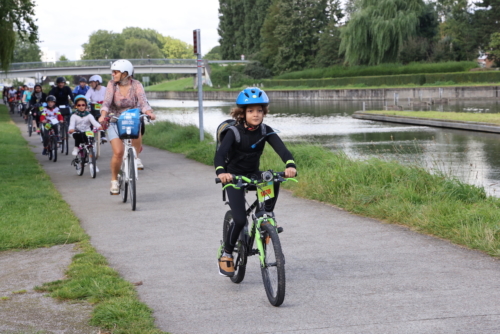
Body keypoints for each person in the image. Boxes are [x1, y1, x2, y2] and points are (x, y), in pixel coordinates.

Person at [214, 87, 297, 277]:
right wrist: (222, 173)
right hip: (234, 177)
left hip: (253, 175)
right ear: (242, 113)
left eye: (259, 110)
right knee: (241, 218)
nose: (256, 114)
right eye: (251, 111)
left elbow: (282, 150)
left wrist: (290, 165)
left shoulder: (265, 131)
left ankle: (264, 221)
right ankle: (227, 252)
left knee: (274, 180)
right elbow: (220, 156)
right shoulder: (233, 132)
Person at [99, 59, 156, 195]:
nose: (113, 74)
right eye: (113, 72)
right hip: (115, 119)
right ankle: (114, 180)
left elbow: (143, 102)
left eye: (116, 72)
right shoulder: (112, 85)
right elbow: (106, 102)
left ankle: (135, 157)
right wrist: (103, 115)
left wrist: (149, 113)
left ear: (125, 73)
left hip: (132, 118)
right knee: (118, 152)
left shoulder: (136, 85)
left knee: (138, 125)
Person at [68, 95, 102, 162]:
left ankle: (91, 151)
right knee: (78, 135)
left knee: (90, 138)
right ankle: (76, 147)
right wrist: (71, 129)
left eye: (83, 105)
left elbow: (94, 122)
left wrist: (99, 126)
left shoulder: (89, 115)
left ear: (86, 106)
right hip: (77, 132)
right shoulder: (74, 115)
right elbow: (71, 125)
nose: (81, 107)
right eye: (79, 105)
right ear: (76, 106)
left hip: (87, 132)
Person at [85, 75, 107, 142]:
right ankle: (90, 135)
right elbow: (86, 98)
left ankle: (103, 135)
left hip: (103, 107)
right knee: (90, 118)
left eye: (92, 82)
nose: (91, 84)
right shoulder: (90, 90)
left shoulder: (105, 89)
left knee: (102, 118)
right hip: (93, 107)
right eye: (90, 83)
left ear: (97, 82)